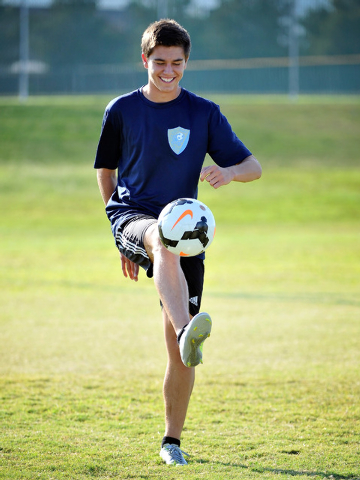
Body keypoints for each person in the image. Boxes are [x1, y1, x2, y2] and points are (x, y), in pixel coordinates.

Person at [94, 19, 262, 466]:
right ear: (144, 59)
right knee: (160, 239)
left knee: (181, 353)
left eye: (177, 63)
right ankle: (190, 325)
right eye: (160, 61)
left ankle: (172, 442)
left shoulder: (203, 112)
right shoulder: (122, 110)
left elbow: (254, 166)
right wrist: (119, 233)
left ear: (186, 63)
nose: (168, 70)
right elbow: (105, 170)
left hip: (187, 234)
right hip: (134, 218)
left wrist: (227, 172)